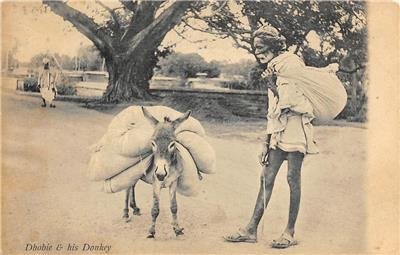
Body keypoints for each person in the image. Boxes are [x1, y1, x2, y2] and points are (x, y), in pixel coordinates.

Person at [224, 25, 319, 249]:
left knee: (292, 178)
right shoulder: (272, 67)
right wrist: (265, 143)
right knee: (266, 177)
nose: (258, 52)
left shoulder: (292, 63)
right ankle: (250, 229)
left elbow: (292, 101)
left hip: (296, 127)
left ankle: (289, 232)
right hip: (278, 130)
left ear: (274, 45)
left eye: (261, 47)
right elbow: (272, 109)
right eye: (255, 48)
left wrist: (272, 84)